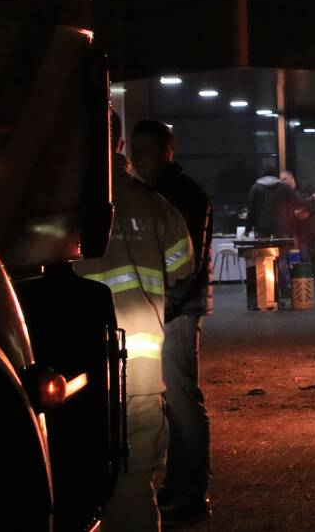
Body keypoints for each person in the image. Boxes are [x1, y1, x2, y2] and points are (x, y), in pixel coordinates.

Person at [75, 111, 195, 532]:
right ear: (119, 146)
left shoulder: (53, 204)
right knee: (134, 487)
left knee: (77, 486)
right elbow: (183, 266)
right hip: (139, 372)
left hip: (76, 374)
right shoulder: (154, 205)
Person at [130, 119, 213, 526]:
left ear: (168, 151)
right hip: (160, 311)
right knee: (170, 403)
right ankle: (178, 487)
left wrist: (167, 309)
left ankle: (191, 493)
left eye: (147, 148)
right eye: (134, 148)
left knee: (181, 403)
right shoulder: (148, 194)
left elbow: (188, 264)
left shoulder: (181, 196)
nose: (138, 156)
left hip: (175, 315)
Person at [283, 171, 315, 295]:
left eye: (285, 179)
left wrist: (305, 211)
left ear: (291, 179)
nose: (283, 182)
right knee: (305, 258)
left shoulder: (306, 187)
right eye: (281, 180)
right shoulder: (286, 195)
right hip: (303, 231)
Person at [246, 166, 295, 238]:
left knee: (263, 248)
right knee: (280, 246)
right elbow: (298, 201)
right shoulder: (283, 188)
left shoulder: (256, 188)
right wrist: (312, 199)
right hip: (280, 226)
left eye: (285, 179)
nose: (282, 181)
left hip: (262, 227)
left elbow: (251, 211)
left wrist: (247, 230)